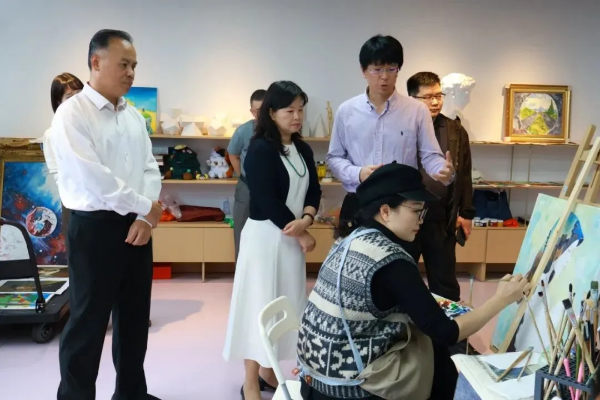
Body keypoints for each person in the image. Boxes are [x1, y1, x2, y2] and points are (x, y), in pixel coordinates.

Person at [295, 162, 531, 400]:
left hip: (313, 379)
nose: (421, 220)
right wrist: (501, 300)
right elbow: (447, 333)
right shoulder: (390, 260)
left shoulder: (349, 240)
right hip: (347, 389)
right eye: (416, 211)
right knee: (436, 353)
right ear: (385, 211)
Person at [50, 29, 162, 400]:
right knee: (88, 321)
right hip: (94, 227)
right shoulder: (72, 114)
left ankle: (131, 393)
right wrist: (145, 207)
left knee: (134, 318)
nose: (131, 73)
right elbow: (94, 178)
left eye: (134, 65)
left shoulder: (133, 117)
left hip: (137, 226)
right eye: (123, 64)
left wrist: (145, 218)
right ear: (96, 62)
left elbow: (149, 168)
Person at [223, 81, 322, 400]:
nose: (297, 117)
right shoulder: (260, 149)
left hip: (291, 239)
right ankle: (250, 382)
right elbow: (265, 199)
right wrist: (301, 230)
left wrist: (307, 218)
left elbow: (314, 189)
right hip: (265, 239)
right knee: (260, 305)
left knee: (285, 305)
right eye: (289, 111)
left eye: (301, 110)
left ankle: (269, 371)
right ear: (271, 113)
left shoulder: (303, 148)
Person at [326, 35, 455, 234]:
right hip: (359, 201)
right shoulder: (347, 111)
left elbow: (430, 156)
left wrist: (442, 170)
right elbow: (334, 157)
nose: (384, 76)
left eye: (391, 69)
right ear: (363, 70)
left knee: (400, 255)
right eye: (377, 69)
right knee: (357, 254)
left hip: (401, 205)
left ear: (398, 69)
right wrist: (358, 173)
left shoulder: (416, 110)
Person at [405, 71, 475, 303]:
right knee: (403, 278)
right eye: (427, 97)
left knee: (444, 282)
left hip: (441, 219)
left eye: (438, 95)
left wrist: (466, 213)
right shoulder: (402, 127)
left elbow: (464, 174)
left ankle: (446, 324)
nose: (435, 102)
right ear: (412, 98)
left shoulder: (455, 131)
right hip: (406, 217)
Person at [227, 89, 266, 260]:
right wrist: (242, 174)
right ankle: (241, 274)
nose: (261, 114)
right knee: (241, 232)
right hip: (246, 187)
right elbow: (233, 154)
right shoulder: (243, 131)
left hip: (271, 189)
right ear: (252, 111)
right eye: (257, 111)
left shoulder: (281, 131)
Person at [42, 73, 84, 231]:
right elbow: (57, 174)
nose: (77, 100)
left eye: (80, 94)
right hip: (74, 203)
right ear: (58, 102)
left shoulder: (95, 128)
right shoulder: (51, 134)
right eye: (70, 96)